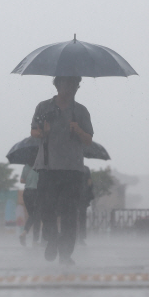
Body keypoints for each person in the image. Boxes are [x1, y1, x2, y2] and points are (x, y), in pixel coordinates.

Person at [31, 76, 94, 265]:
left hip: (72, 169)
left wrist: (79, 131)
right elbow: (34, 131)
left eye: (76, 85)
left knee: (69, 213)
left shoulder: (81, 111)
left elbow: (89, 139)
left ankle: (66, 253)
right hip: (48, 167)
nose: (73, 88)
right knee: (46, 209)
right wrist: (44, 132)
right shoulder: (44, 107)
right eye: (68, 84)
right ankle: (52, 239)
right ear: (58, 85)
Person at [18, 163, 40, 247]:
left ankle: (24, 233)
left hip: (27, 193)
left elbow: (22, 180)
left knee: (32, 215)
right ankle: (35, 240)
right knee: (37, 216)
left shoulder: (26, 167)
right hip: (36, 192)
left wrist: (30, 180)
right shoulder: (40, 166)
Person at [77, 164, 94, 245]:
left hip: (73, 196)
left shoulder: (72, 167)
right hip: (83, 197)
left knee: (72, 216)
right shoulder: (86, 169)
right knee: (82, 218)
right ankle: (81, 237)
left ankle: (74, 235)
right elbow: (90, 183)